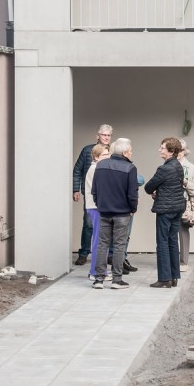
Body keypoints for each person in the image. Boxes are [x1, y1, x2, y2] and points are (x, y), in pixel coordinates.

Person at [91, 137, 139, 289]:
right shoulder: (130, 168)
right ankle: (117, 280)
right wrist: (133, 209)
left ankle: (99, 279)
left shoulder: (100, 165)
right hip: (122, 213)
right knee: (119, 245)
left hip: (104, 211)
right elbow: (132, 194)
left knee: (102, 244)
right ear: (124, 152)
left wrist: (100, 204)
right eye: (130, 151)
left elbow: (94, 190)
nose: (131, 153)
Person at [145, 137, 186, 288]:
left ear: (171, 151)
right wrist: (161, 191)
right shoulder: (178, 166)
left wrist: (156, 192)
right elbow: (172, 186)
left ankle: (164, 279)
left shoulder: (164, 169)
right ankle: (174, 277)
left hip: (165, 209)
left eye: (162, 148)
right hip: (177, 208)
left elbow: (149, 187)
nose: (159, 150)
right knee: (173, 241)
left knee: (162, 242)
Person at [72, 123, 113, 265]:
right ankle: (84, 253)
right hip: (90, 194)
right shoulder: (87, 151)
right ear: (97, 136)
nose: (106, 137)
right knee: (88, 224)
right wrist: (75, 189)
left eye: (109, 135)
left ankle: (110, 255)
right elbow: (77, 170)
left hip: (109, 195)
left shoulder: (113, 151)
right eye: (104, 135)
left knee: (110, 224)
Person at [85, 142, 110, 279]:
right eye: (104, 155)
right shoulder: (95, 169)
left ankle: (101, 270)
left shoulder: (98, 168)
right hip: (96, 207)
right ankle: (95, 271)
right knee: (99, 240)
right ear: (96, 157)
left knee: (102, 239)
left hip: (97, 206)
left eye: (108, 154)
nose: (107, 157)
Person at [178, 138, 194, 273]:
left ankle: (183, 261)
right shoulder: (168, 164)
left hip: (184, 203)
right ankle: (170, 262)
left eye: (181, 150)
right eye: (176, 150)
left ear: (185, 151)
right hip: (170, 202)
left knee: (183, 231)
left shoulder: (191, 167)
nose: (179, 152)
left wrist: (185, 182)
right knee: (169, 232)